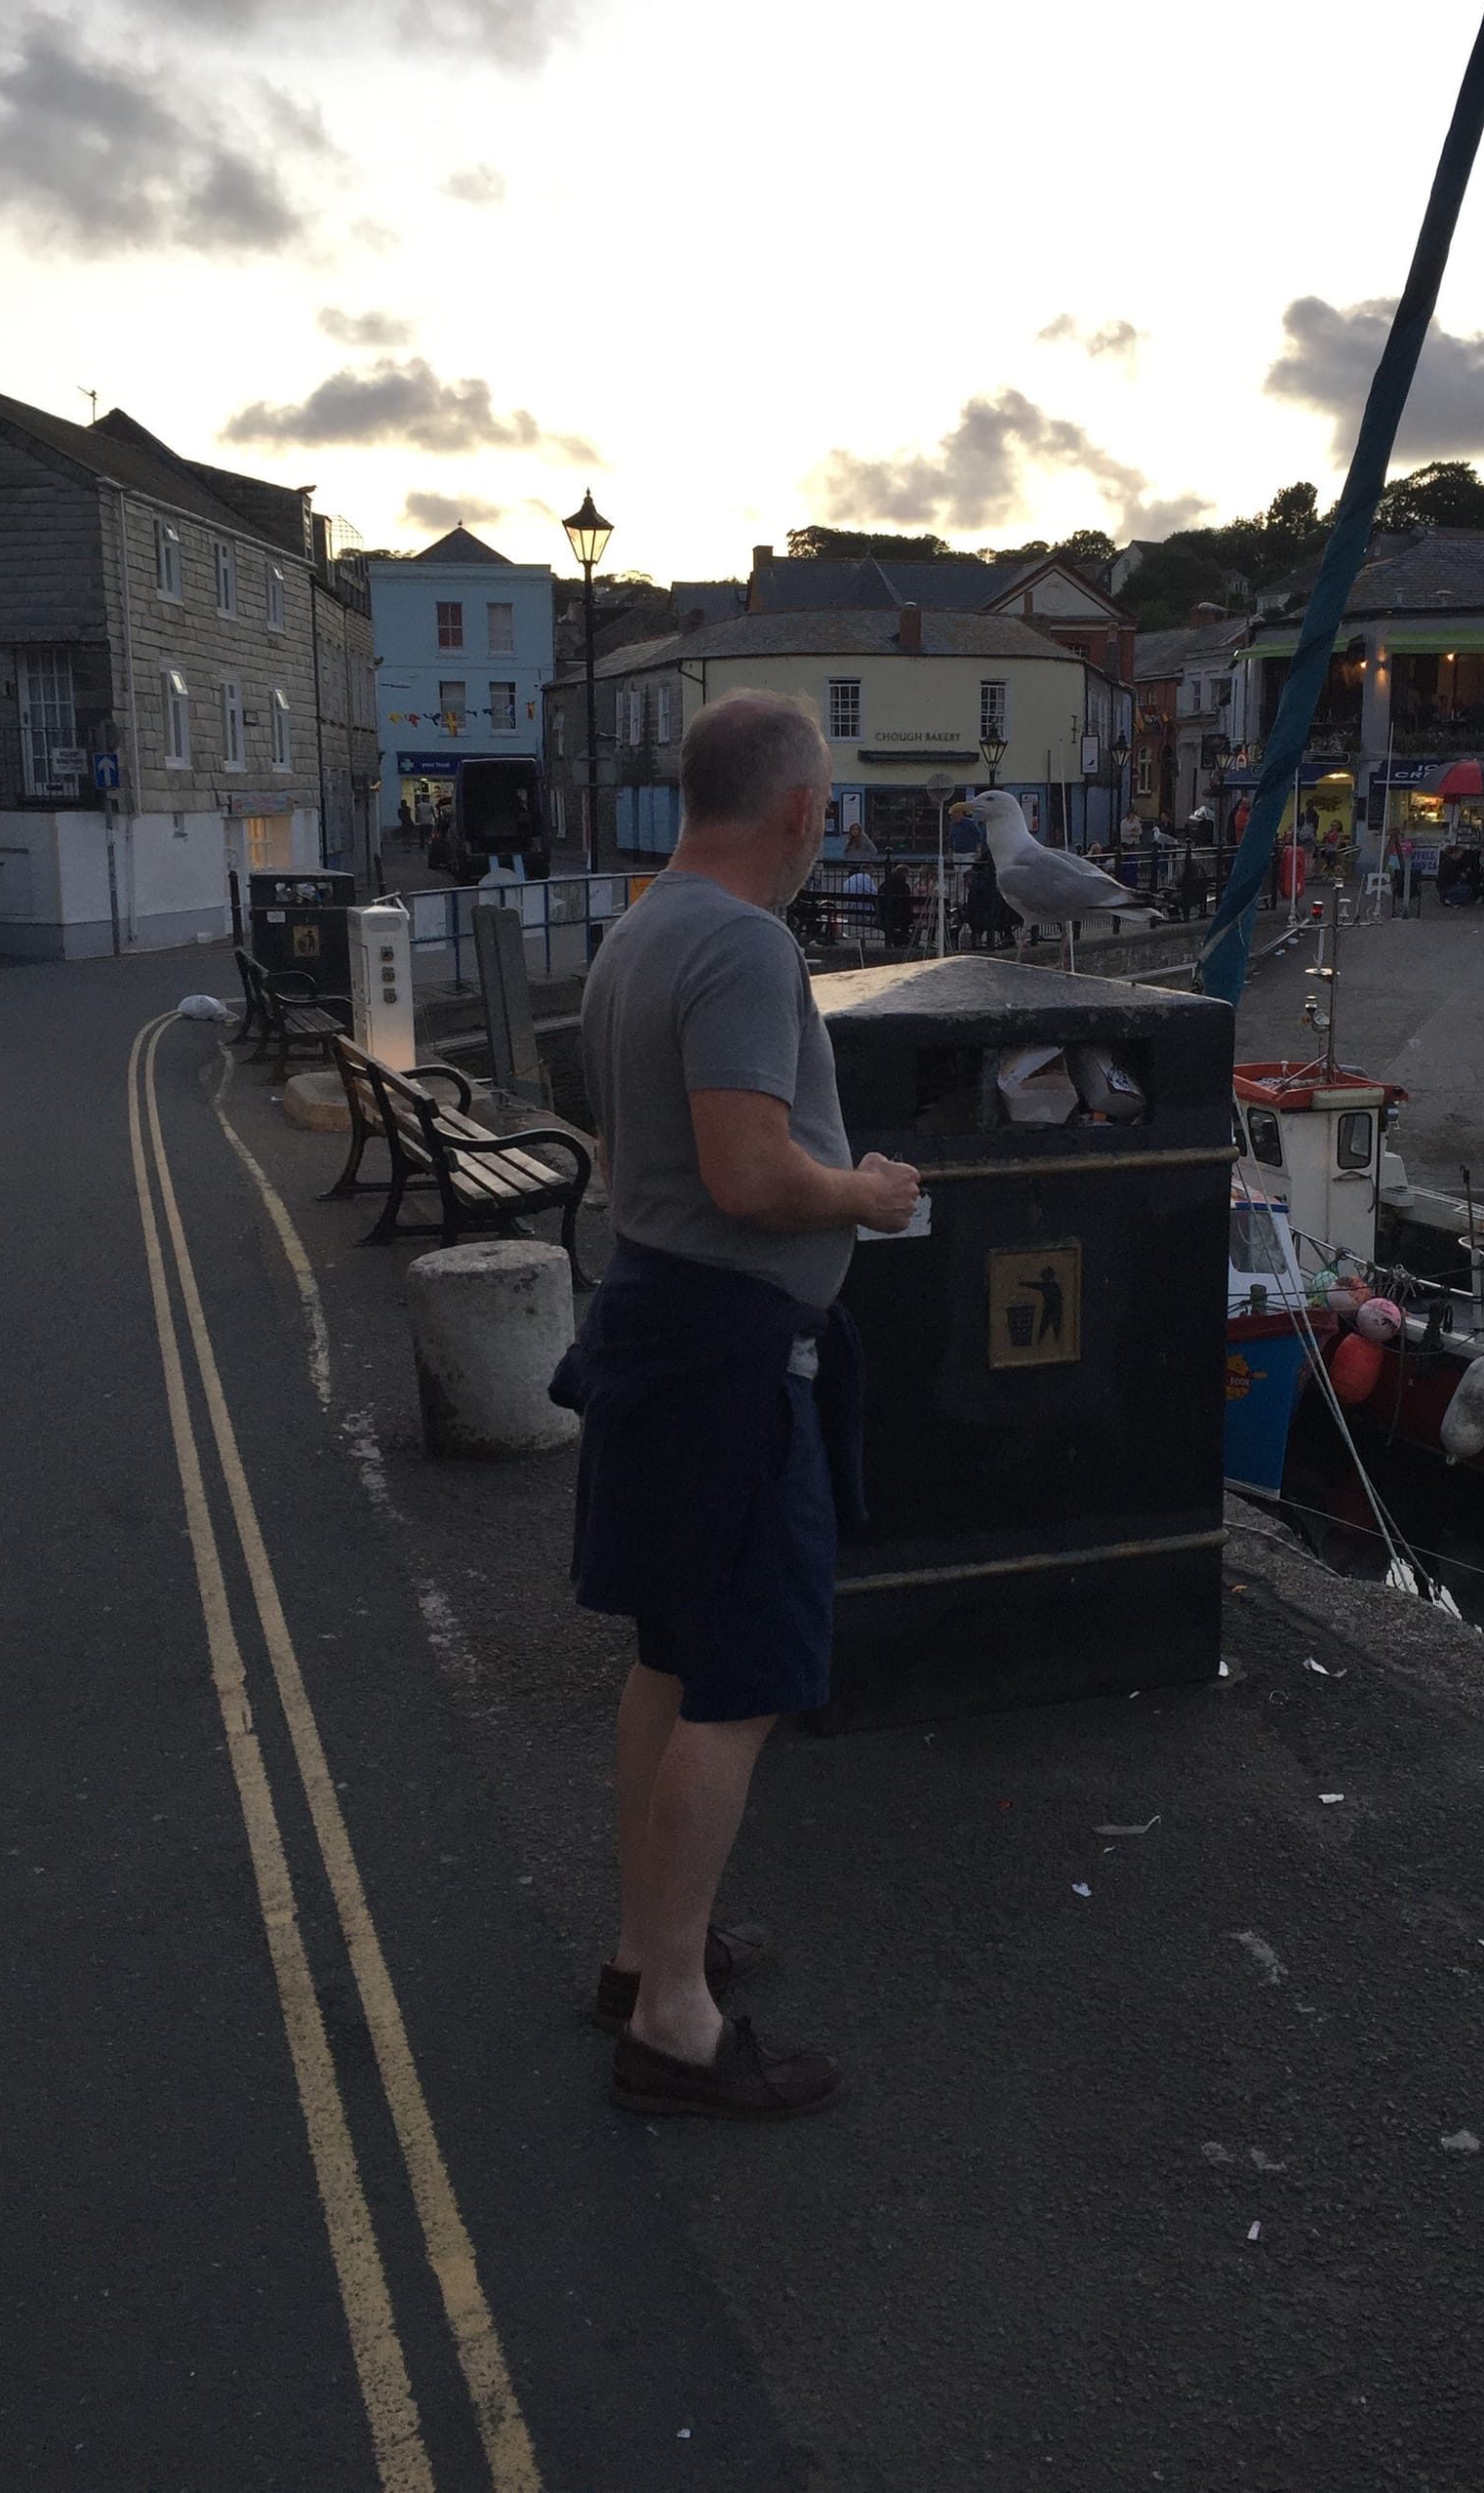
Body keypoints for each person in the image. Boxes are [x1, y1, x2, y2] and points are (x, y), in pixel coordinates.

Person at [561, 688, 920, 2121]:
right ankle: (677, 2020)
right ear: (797, 811)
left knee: (669, 1651)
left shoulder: (637, 929)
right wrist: (870, 1193)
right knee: (749, 1676)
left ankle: (645, 1950)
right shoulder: (745, 945)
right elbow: (751, 1173)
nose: (826, 822)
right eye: (826, 801)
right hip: (729, 1351)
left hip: (650, 1318)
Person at [876, 860, 915, 953]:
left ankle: (896, 940)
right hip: (900, 918)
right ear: (905, 874)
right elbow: (907, 904)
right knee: (906, 916)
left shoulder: (884, 885)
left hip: (884, 917)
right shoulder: (904, 886)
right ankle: (905, 939)